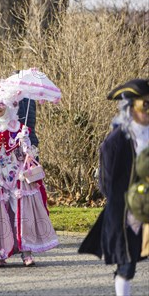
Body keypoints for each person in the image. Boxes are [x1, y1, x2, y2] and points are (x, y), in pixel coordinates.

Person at [0, 85, 58, 268]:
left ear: (8, 106)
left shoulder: (18, 128)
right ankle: (0, 253)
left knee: (22, 211)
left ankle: (26, 252)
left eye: (2, 104)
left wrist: (25, 143)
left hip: (16, 174)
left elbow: (27, 154)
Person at [79, 78, 149, 296]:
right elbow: (107, 181)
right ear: (131, 108)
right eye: (144, 106)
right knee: (127, 263)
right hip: (127, 210)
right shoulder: (117, 140)